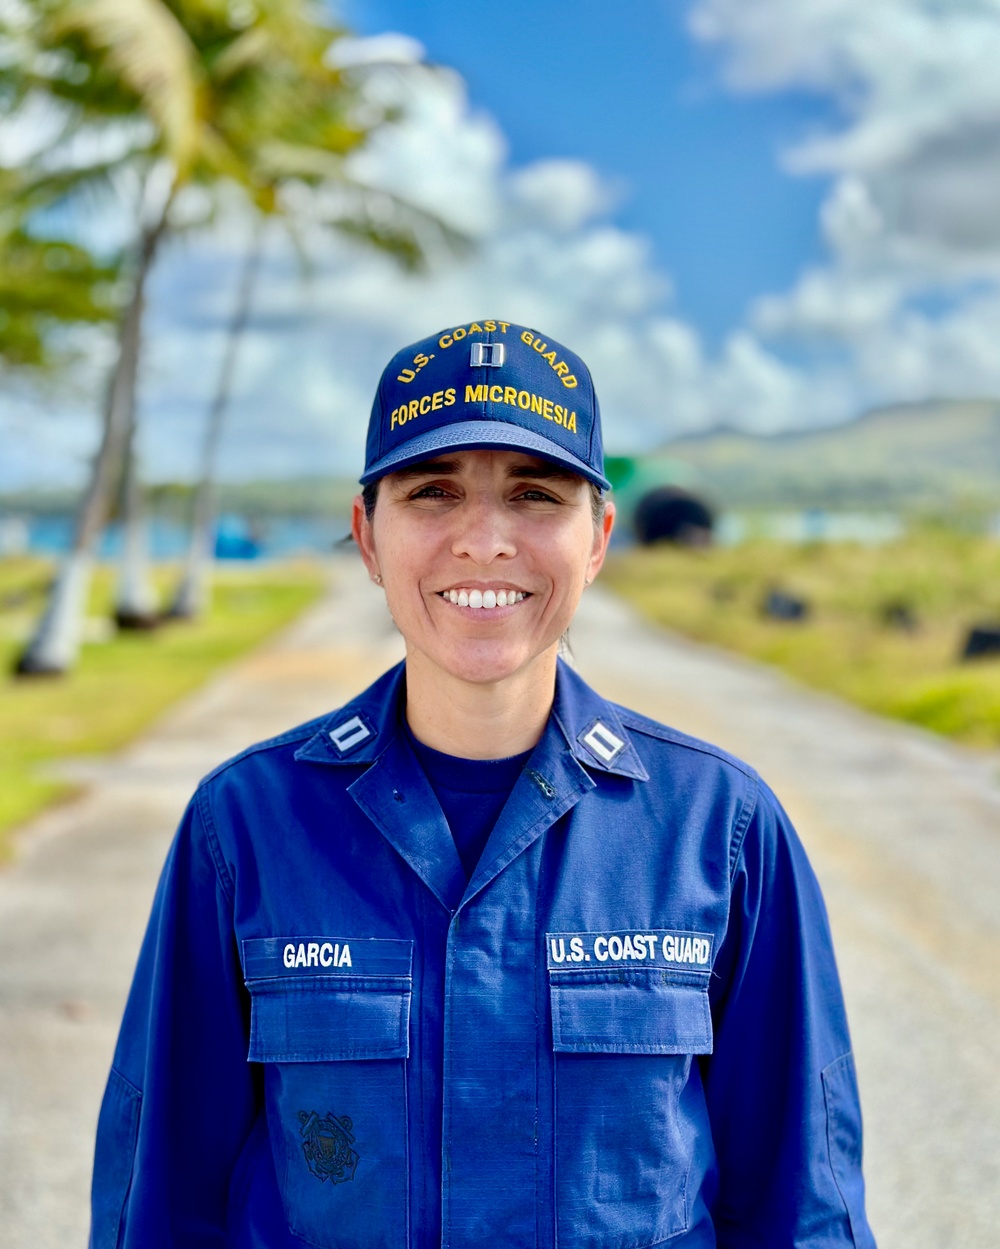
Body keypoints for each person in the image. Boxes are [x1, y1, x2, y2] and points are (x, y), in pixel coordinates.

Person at [90, 319, 877, 1248]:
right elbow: (164, 1202)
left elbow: (805, 1205)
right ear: (367, 536)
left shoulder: (722, 828)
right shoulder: (247, 825)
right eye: (433, 492)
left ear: (598, 539)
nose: (484, 542)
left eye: (535, 495)